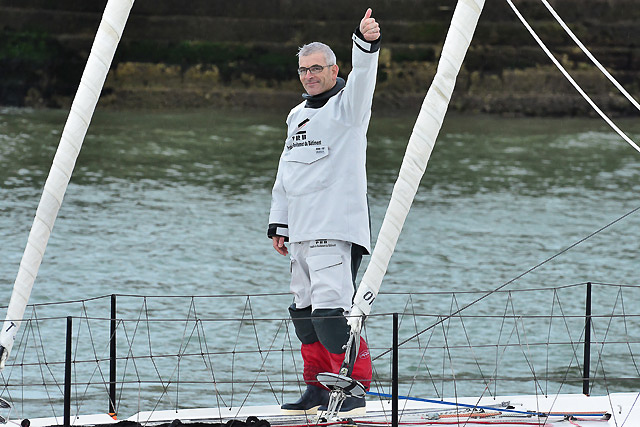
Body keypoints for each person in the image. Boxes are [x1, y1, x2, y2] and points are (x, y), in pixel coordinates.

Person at [267, 8, 381, 416]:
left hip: (335, 231)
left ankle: (354, 386)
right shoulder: (296, 116)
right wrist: (278, 224)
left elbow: (364, 77)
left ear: (334, 70)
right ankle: (316, 388)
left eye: (316, 68)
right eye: (303, 70)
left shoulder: (349, 110)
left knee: (333, 314)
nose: (309, 75)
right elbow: (286, 173)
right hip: (298, 233)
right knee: (304, 315)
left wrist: (364, 43)